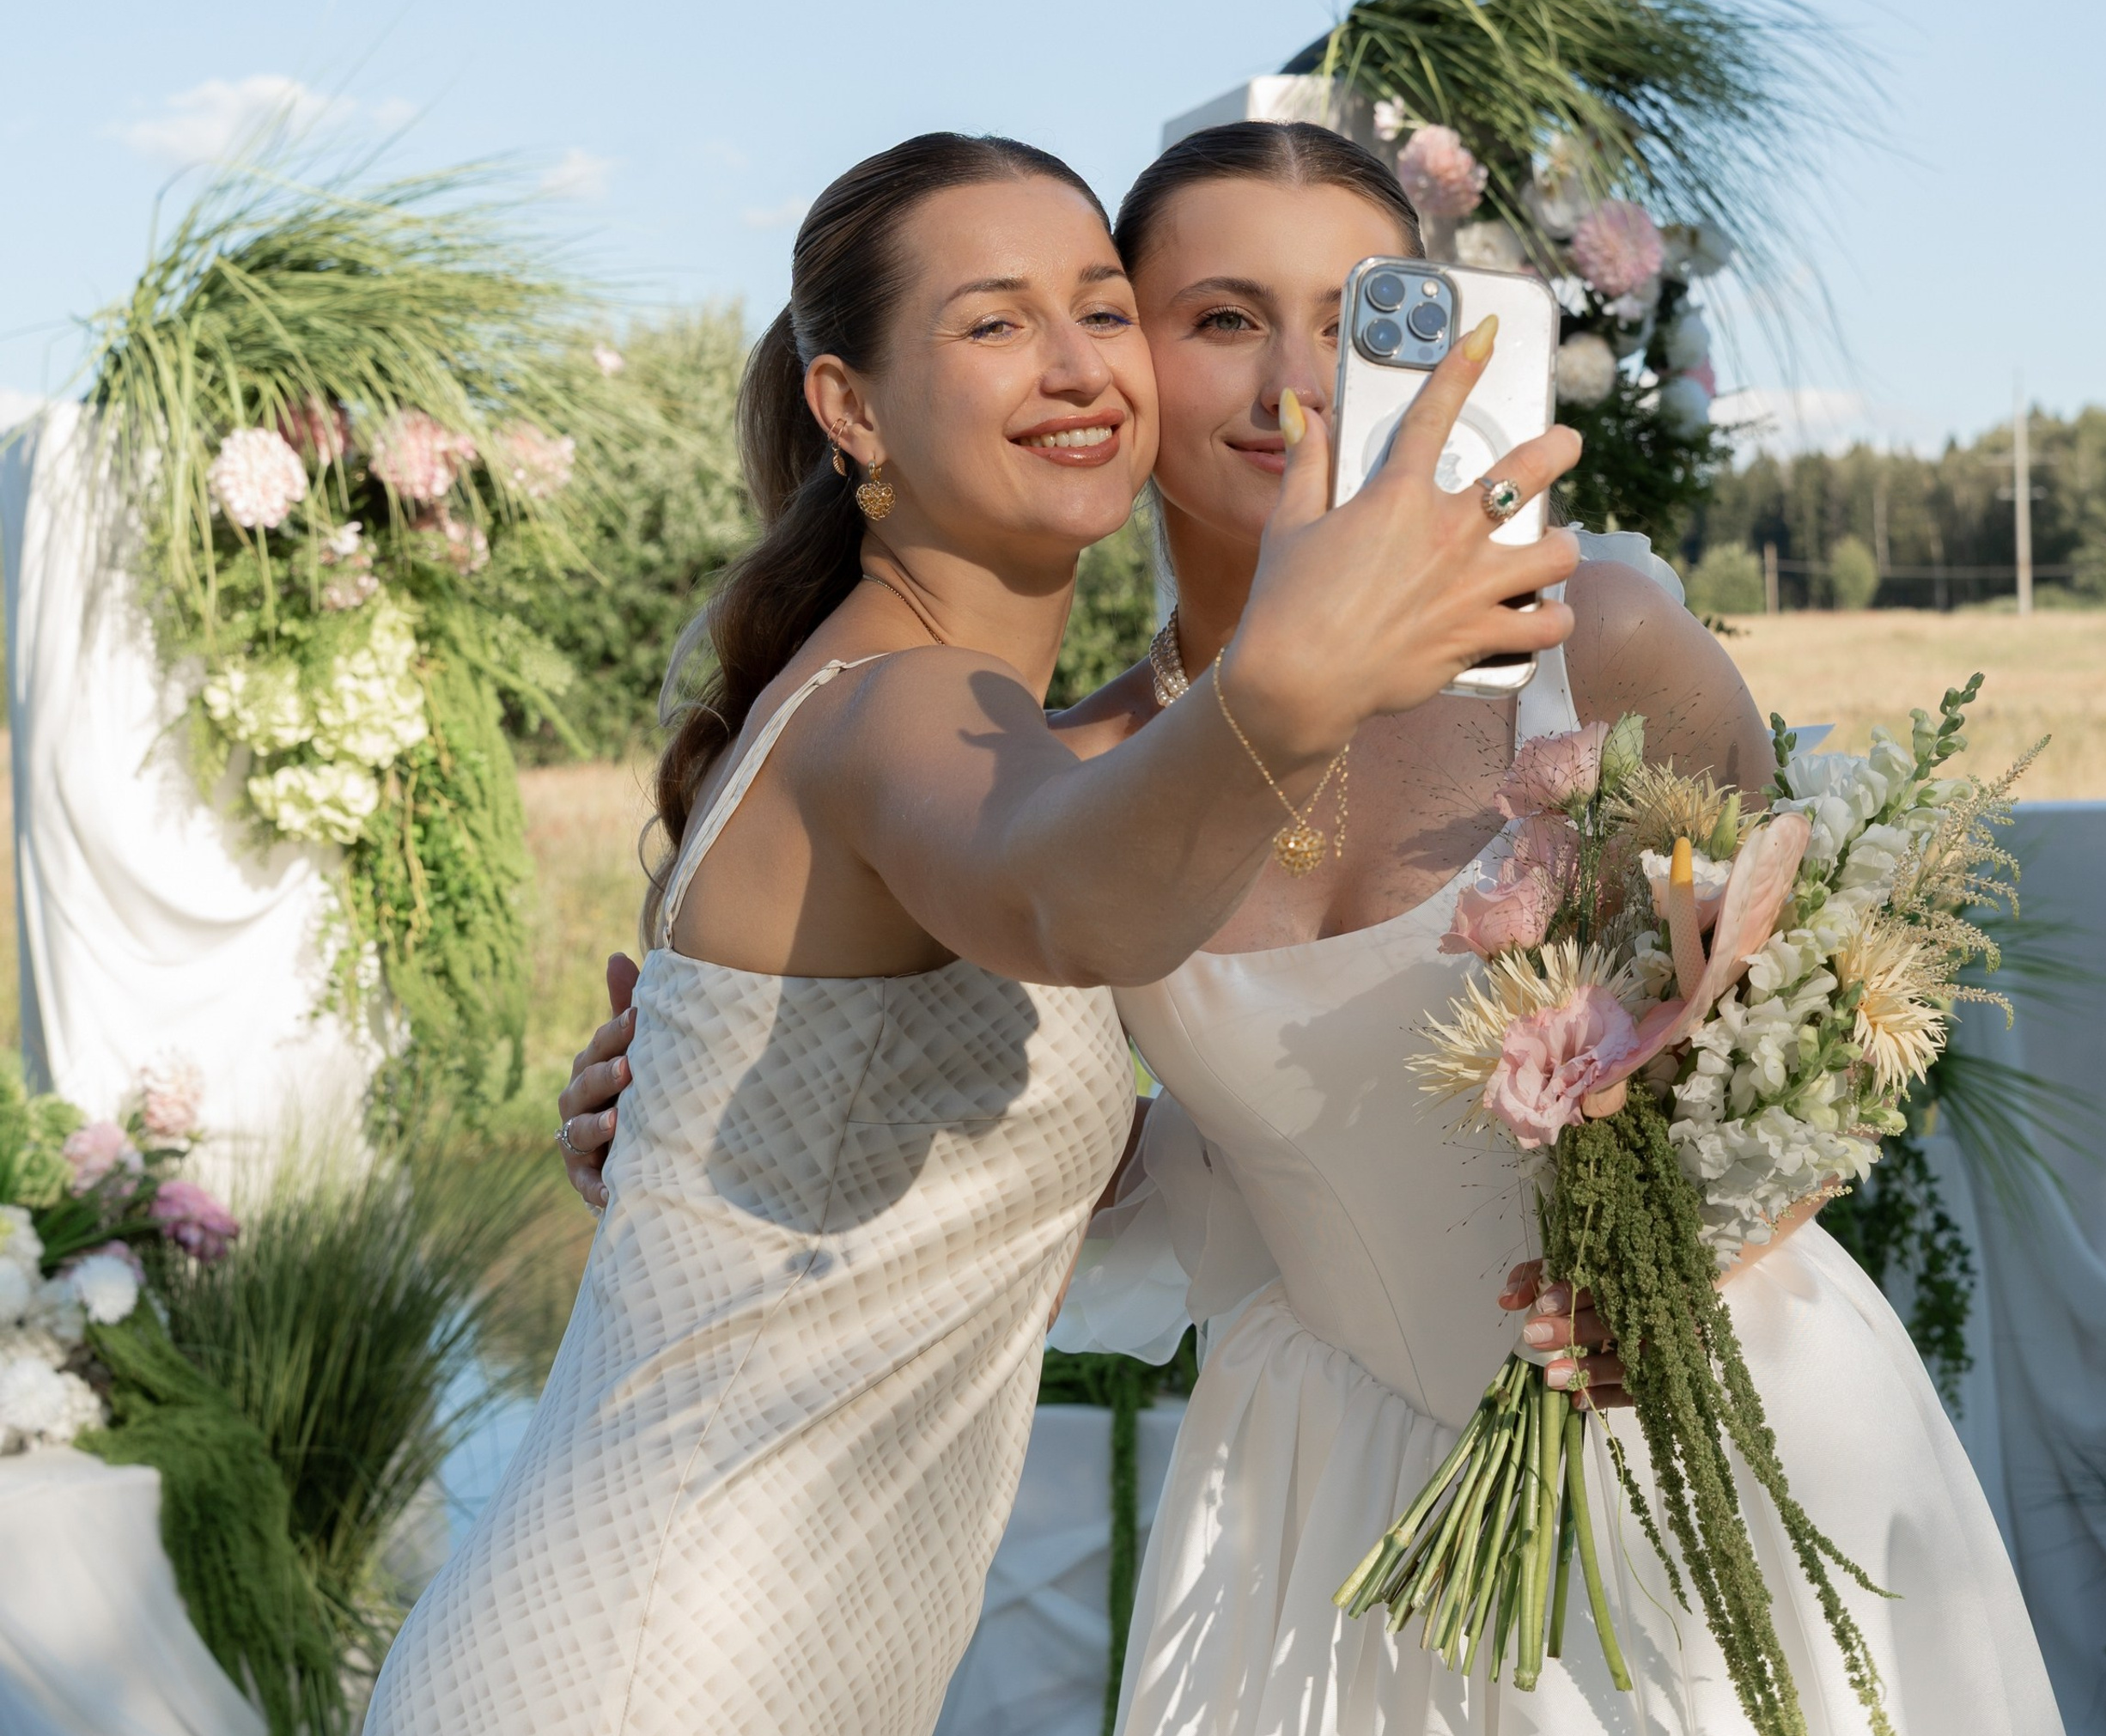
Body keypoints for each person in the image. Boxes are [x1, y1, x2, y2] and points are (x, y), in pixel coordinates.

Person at [564, 122, 2062, 1736]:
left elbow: (1819, 1028)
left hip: (1701, 1436)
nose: (1302, 383)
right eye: (1219, 320)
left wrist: (1695, 1249)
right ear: (1126, 359)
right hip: (1338, 1520)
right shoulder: (1072, 790)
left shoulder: (1603, 648)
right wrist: (717, 1101)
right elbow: (1068, 1167)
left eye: (1363, 324)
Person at [366, 130, 1581, 1736]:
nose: (1076, 367)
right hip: (663, 1652)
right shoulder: (900, 707)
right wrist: (1306, 674)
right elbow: (1074, 904)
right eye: (995, 323)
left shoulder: (1015, 737)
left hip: (769, 1641)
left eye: (1100, 308)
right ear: (850, 407)